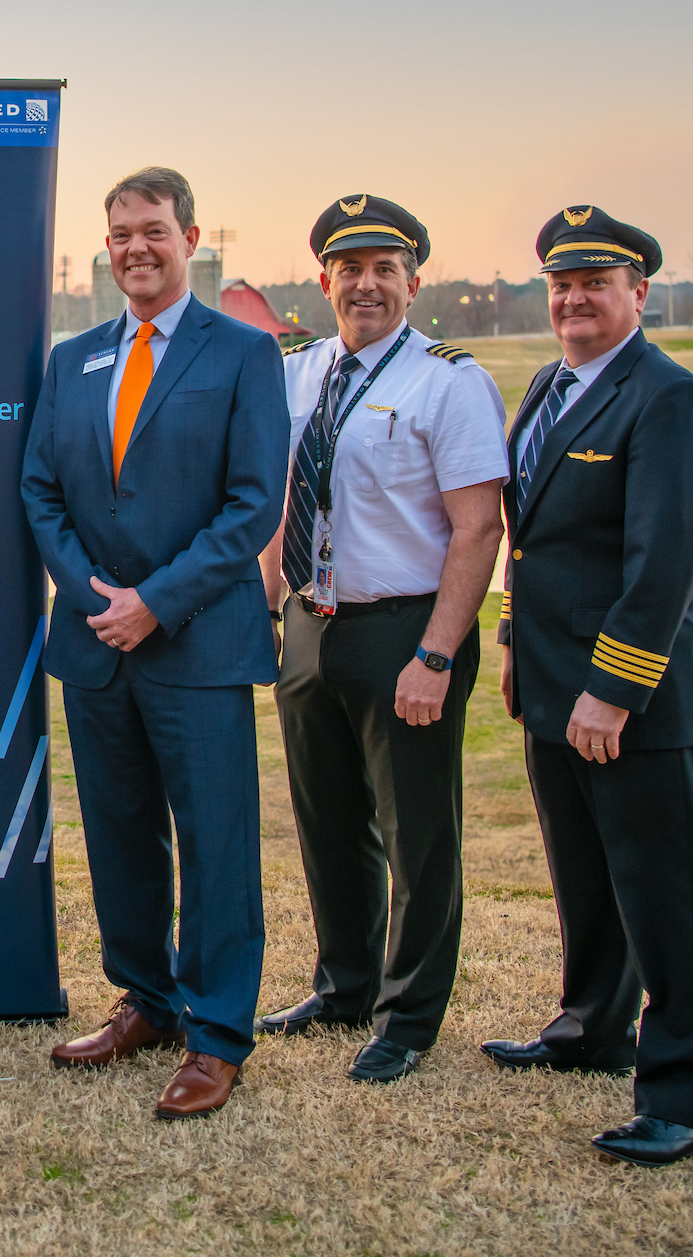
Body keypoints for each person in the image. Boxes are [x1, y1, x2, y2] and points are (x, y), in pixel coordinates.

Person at [21, 167, 292, 1120]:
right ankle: (147, 999)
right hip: (96, 641)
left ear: (190, 236)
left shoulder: (244, 354)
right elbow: (40, 491)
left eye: (154, 231)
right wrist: (94, 593)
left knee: (215, 844)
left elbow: (253, 503)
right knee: (120, 831)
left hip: (198, 643)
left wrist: (156, 600)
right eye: (122, 234)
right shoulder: (74, 359)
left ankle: (217, 1035)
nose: (137, 247)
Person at [485, 206, 693, 1168]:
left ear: (640, 293)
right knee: (586, 880)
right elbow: (534, 541)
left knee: (668, 899)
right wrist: (511, 640)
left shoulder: (668, 398)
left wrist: (614, 691)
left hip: (641, 701)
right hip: (553, 686)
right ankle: (590, 1030)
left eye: (596, 283)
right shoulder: (552, 384)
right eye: (561, 284)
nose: (575, 299)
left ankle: (683, 1098)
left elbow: (662, 566)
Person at [255, 197, 508, 1084]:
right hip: (311, 621)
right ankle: (344, 983)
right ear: (323, 278)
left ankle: (407, 1019)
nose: (366, 285)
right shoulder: (297, 372)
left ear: (411, 279)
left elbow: (478, 530)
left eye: (384, 269)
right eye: (349, 268)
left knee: (418, 835)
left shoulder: (448, 380)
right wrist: (267, 606)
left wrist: (437, 654)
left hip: (406, 625)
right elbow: (274, 501)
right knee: (327, 821)